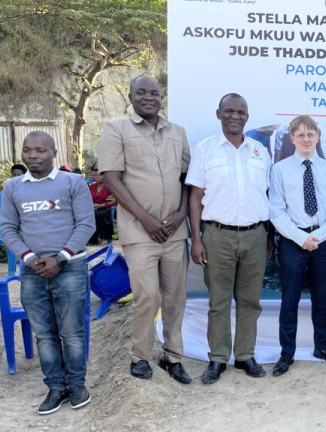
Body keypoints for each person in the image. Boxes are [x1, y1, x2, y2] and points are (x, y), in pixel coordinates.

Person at [98, 75, 192, 384]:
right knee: (147, 295)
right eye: (142, 92)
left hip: (174, 231)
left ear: (161, 97)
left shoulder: (177, 132)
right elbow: (112, 178)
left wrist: (180, 215)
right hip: (140, 232)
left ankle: (173, 357)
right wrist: (146, 220)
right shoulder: (116, 128)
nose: (148, 97)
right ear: (131, 95)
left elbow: (187, 180)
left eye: (154, 93)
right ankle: (140, 356)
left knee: (176, 296)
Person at [0, 131, 95, 414]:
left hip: (71, 268)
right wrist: (30, 258)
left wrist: (61, 258)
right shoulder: (13, 187)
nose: (32, 156)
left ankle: (77, 385)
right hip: (33, 271)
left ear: (54, 153)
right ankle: (56, 388)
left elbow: (86, 224)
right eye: (27, 150)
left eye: (40, 150)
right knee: (44, 334)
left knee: (72, 332)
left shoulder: (73, 182)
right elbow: (7, 227)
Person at [186, 93, 271, 383]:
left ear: (247, 116)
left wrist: (267, 236)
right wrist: (197, 239)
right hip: (217, 236)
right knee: (219, 301)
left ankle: (245, 355)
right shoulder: (206, 150)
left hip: (256, 236)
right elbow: (195, 197)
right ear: (219, 113)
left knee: (250, 300)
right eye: (229, 111)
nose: (235, 116)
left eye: (241, 112)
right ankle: (218, 358)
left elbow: (267, 196)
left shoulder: (260, 151)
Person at [268, 115, 326, 376]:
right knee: (289, 299)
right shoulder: (280, 170)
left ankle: (321, 346)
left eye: (310, 134)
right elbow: (276, 211)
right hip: (293, 240)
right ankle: (286, 352)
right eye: (300, 135)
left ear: (317, 137)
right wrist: (301, 238)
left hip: (323, 240)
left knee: (321, 298)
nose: (305, 139)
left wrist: (319, 236)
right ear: (292, 139)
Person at [87, 164, 116, 245]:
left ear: (105, 176)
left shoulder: (111, 186)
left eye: (100, 175)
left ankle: (104, 237)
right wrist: (92, 205)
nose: (97, 177)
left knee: (99, 215)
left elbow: (116, 200)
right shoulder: (91, 186)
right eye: (95, 176)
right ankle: (92, 238)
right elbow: (86, 198)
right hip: (93, 208)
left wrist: (102, 205)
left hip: (108, 208)